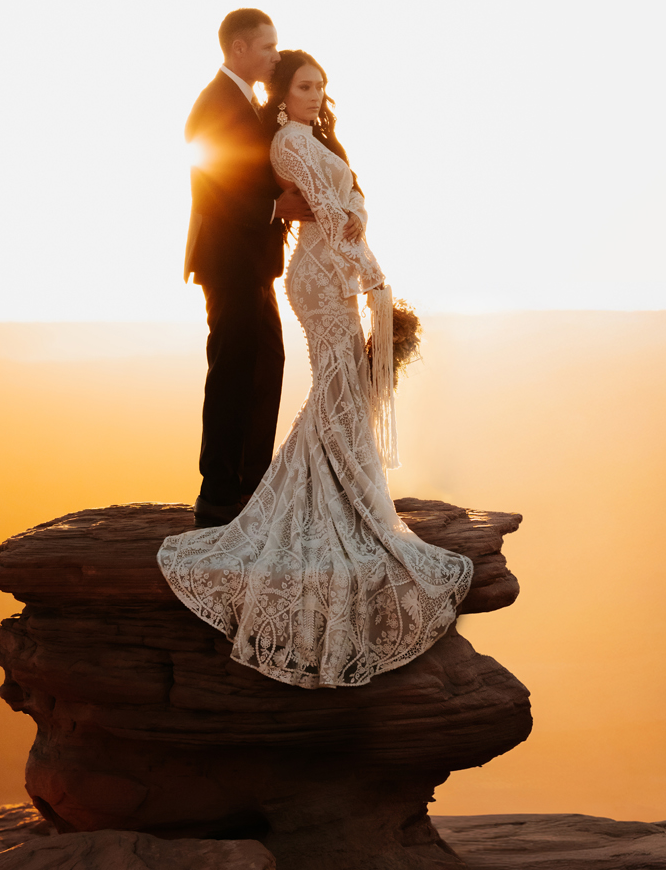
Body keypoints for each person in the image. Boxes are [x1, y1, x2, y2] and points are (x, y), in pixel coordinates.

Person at [160, 50, 473, 688]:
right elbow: (329, 214)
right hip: (321, 278)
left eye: (320, 85)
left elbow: (349, 203)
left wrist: (361, 233)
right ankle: (331, 499)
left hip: (337, 274)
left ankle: (350, 493)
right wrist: (373, 277)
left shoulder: (315, 139)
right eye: (305, 85)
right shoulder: (287, 145)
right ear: (282, 94)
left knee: (345, 390)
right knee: (340, 387)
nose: (315, 93)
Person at [184, 8, 312, 529]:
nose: (275, 55)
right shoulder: (215, 104)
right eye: (267, 46)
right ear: (239, 48)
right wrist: (274, 207)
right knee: (233, 372)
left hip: (253, 263)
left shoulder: (247, 101)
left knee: (265, 365)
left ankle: (251, 485)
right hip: (230, 262)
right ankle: (218, 495)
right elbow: (212, 186)